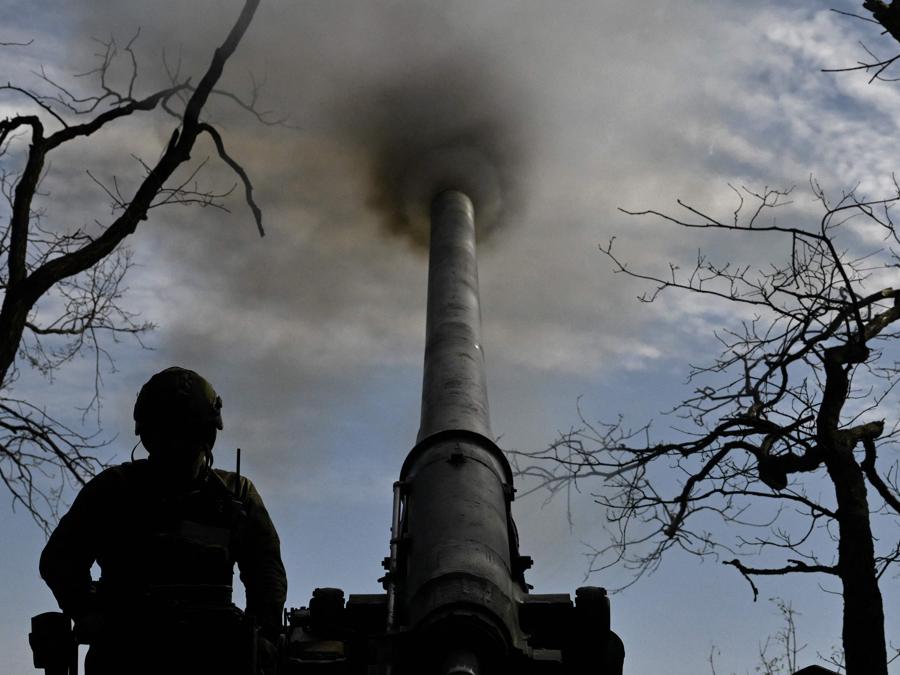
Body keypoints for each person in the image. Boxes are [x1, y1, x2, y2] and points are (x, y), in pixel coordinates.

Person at [40, 367, 287, 674]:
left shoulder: (235, 495)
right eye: (166, 436)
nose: (176, 447)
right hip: (129, 649)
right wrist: (89, 612)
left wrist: (263, 635)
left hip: (211, 650)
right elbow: (60, 560)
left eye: (185, 437)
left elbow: (266, 574)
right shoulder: (112, 491)